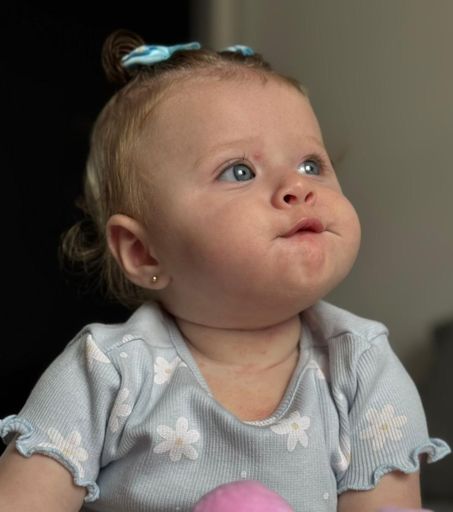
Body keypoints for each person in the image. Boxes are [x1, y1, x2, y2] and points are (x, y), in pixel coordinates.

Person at [0, 29, 449, 512]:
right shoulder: (106, 372)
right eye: (239, 171)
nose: (298, 188)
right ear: (144, 252)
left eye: (311, 165)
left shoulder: (360, 367)